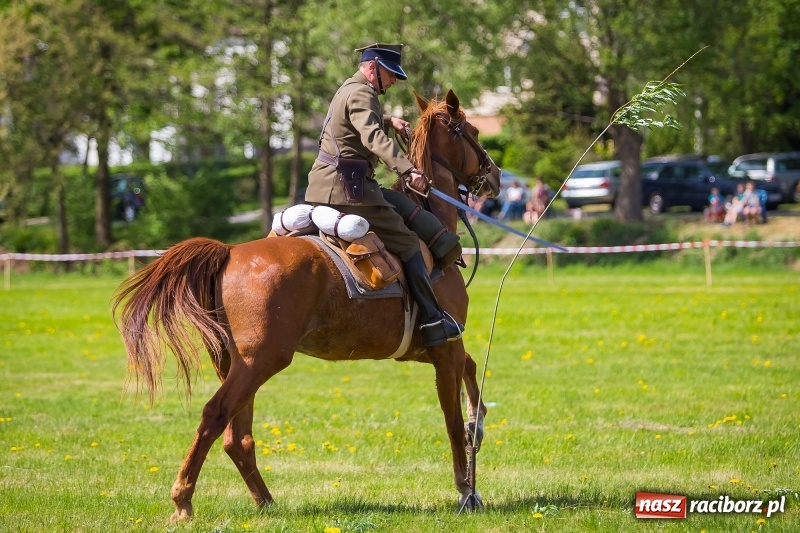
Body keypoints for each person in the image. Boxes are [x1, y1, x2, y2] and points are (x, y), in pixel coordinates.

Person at [305, 43, 462, 347]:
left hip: (331, 183)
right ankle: (432, 320)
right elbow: (372, 136)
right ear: (373, 67)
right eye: (391, 74)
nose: (393, 81)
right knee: (406, 241)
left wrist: (391, 120)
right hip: (348, 190)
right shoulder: (363, 93)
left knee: (400, 202)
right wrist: (408, 170)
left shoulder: (351, 88)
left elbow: (359, 120)